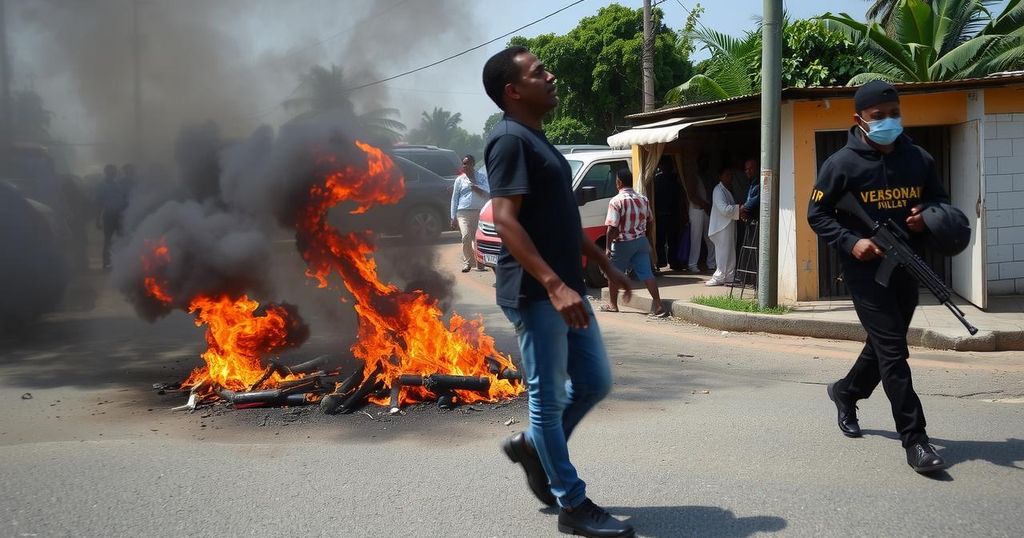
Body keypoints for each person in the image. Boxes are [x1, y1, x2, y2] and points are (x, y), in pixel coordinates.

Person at [482, 45, 636, 538]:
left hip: (567, 289)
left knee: (594, 382)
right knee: (546, 400)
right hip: (536, 292)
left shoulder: (540, 141)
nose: (550, 76)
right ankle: (572, 502)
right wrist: (551, 284)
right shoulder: (508, 141)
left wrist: (605, 263)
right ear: (513, 90)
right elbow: (505, 221)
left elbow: (559, 222)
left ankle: (532, 448)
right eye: (538, 72)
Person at [808, 80, 949, 473]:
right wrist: (851, 241)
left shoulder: (918, 158)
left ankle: (845, 391)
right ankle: (915, 439)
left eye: (894, 114)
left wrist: (928, 216)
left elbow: (939, 200)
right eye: (879, 117)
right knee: (893, 352)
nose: (889, 121)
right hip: (864, 272)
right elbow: (817, 214)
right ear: (859, 120)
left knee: (886, 344)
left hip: (907, 264)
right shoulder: (841, 164)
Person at [602, 168, 668, 317]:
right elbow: (651, 220)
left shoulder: (616, 201)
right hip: (641, 241)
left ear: (619, 182)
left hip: (623, 243)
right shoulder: (643, 199)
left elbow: (611, 227)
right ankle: (658, 305)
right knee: (647, 274)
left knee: (613, 274)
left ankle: (613, 304)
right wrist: (648, 237)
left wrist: (607, 247)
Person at [449, 154, 490, 272]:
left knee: (478, 240)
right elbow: (454, 198)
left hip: (479, 212)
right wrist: (453, 217)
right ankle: (468, 263)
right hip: (463, 213)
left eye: (467, 163)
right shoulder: (459, 180)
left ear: (473, 164)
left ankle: (480, 263)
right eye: (463, 163)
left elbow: (489, 192)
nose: (464, 166)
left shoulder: (481, 177)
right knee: (466, 236)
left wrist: (477, 188)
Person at [706, 167, 745, 286]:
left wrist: (738, 209)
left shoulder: (726, 190)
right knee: (723, 252)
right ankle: (719, 276)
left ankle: (729, 275)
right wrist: (740, 208)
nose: (730, 177)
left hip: (728, 225)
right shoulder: (718, 190)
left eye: (731, 175)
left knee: (730, 251)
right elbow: (724, 209)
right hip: (721, 227)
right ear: (721, 176)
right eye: (727, 174)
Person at [683, 155, 716, 273]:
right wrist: (705, 205)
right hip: (697, 210)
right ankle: (692, 264)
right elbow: (692, 196)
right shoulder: (692, 177)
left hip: (704, 209)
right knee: (695, 239)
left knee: (710, 237)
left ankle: (711, 262)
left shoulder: (704, 177)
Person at [652, 156, 685, 271]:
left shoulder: (656, 180)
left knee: (662, 241)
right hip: (670, 214)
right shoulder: (676, 179)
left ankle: (662, 261)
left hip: (662, 214)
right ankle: (672, 262)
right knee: (672, 240)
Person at [95, 164, 128, 269]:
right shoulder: (101, 185)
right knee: (108, 239)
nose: (113, 173)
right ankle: (106, 261)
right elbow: (99, 203)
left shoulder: (117, 184)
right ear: (106, 172)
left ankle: (119, 260)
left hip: (119, 215)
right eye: (111, 171)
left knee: (120, 239)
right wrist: (98, 218)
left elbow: (123, 200)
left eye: (114, 171)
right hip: (109, 215)